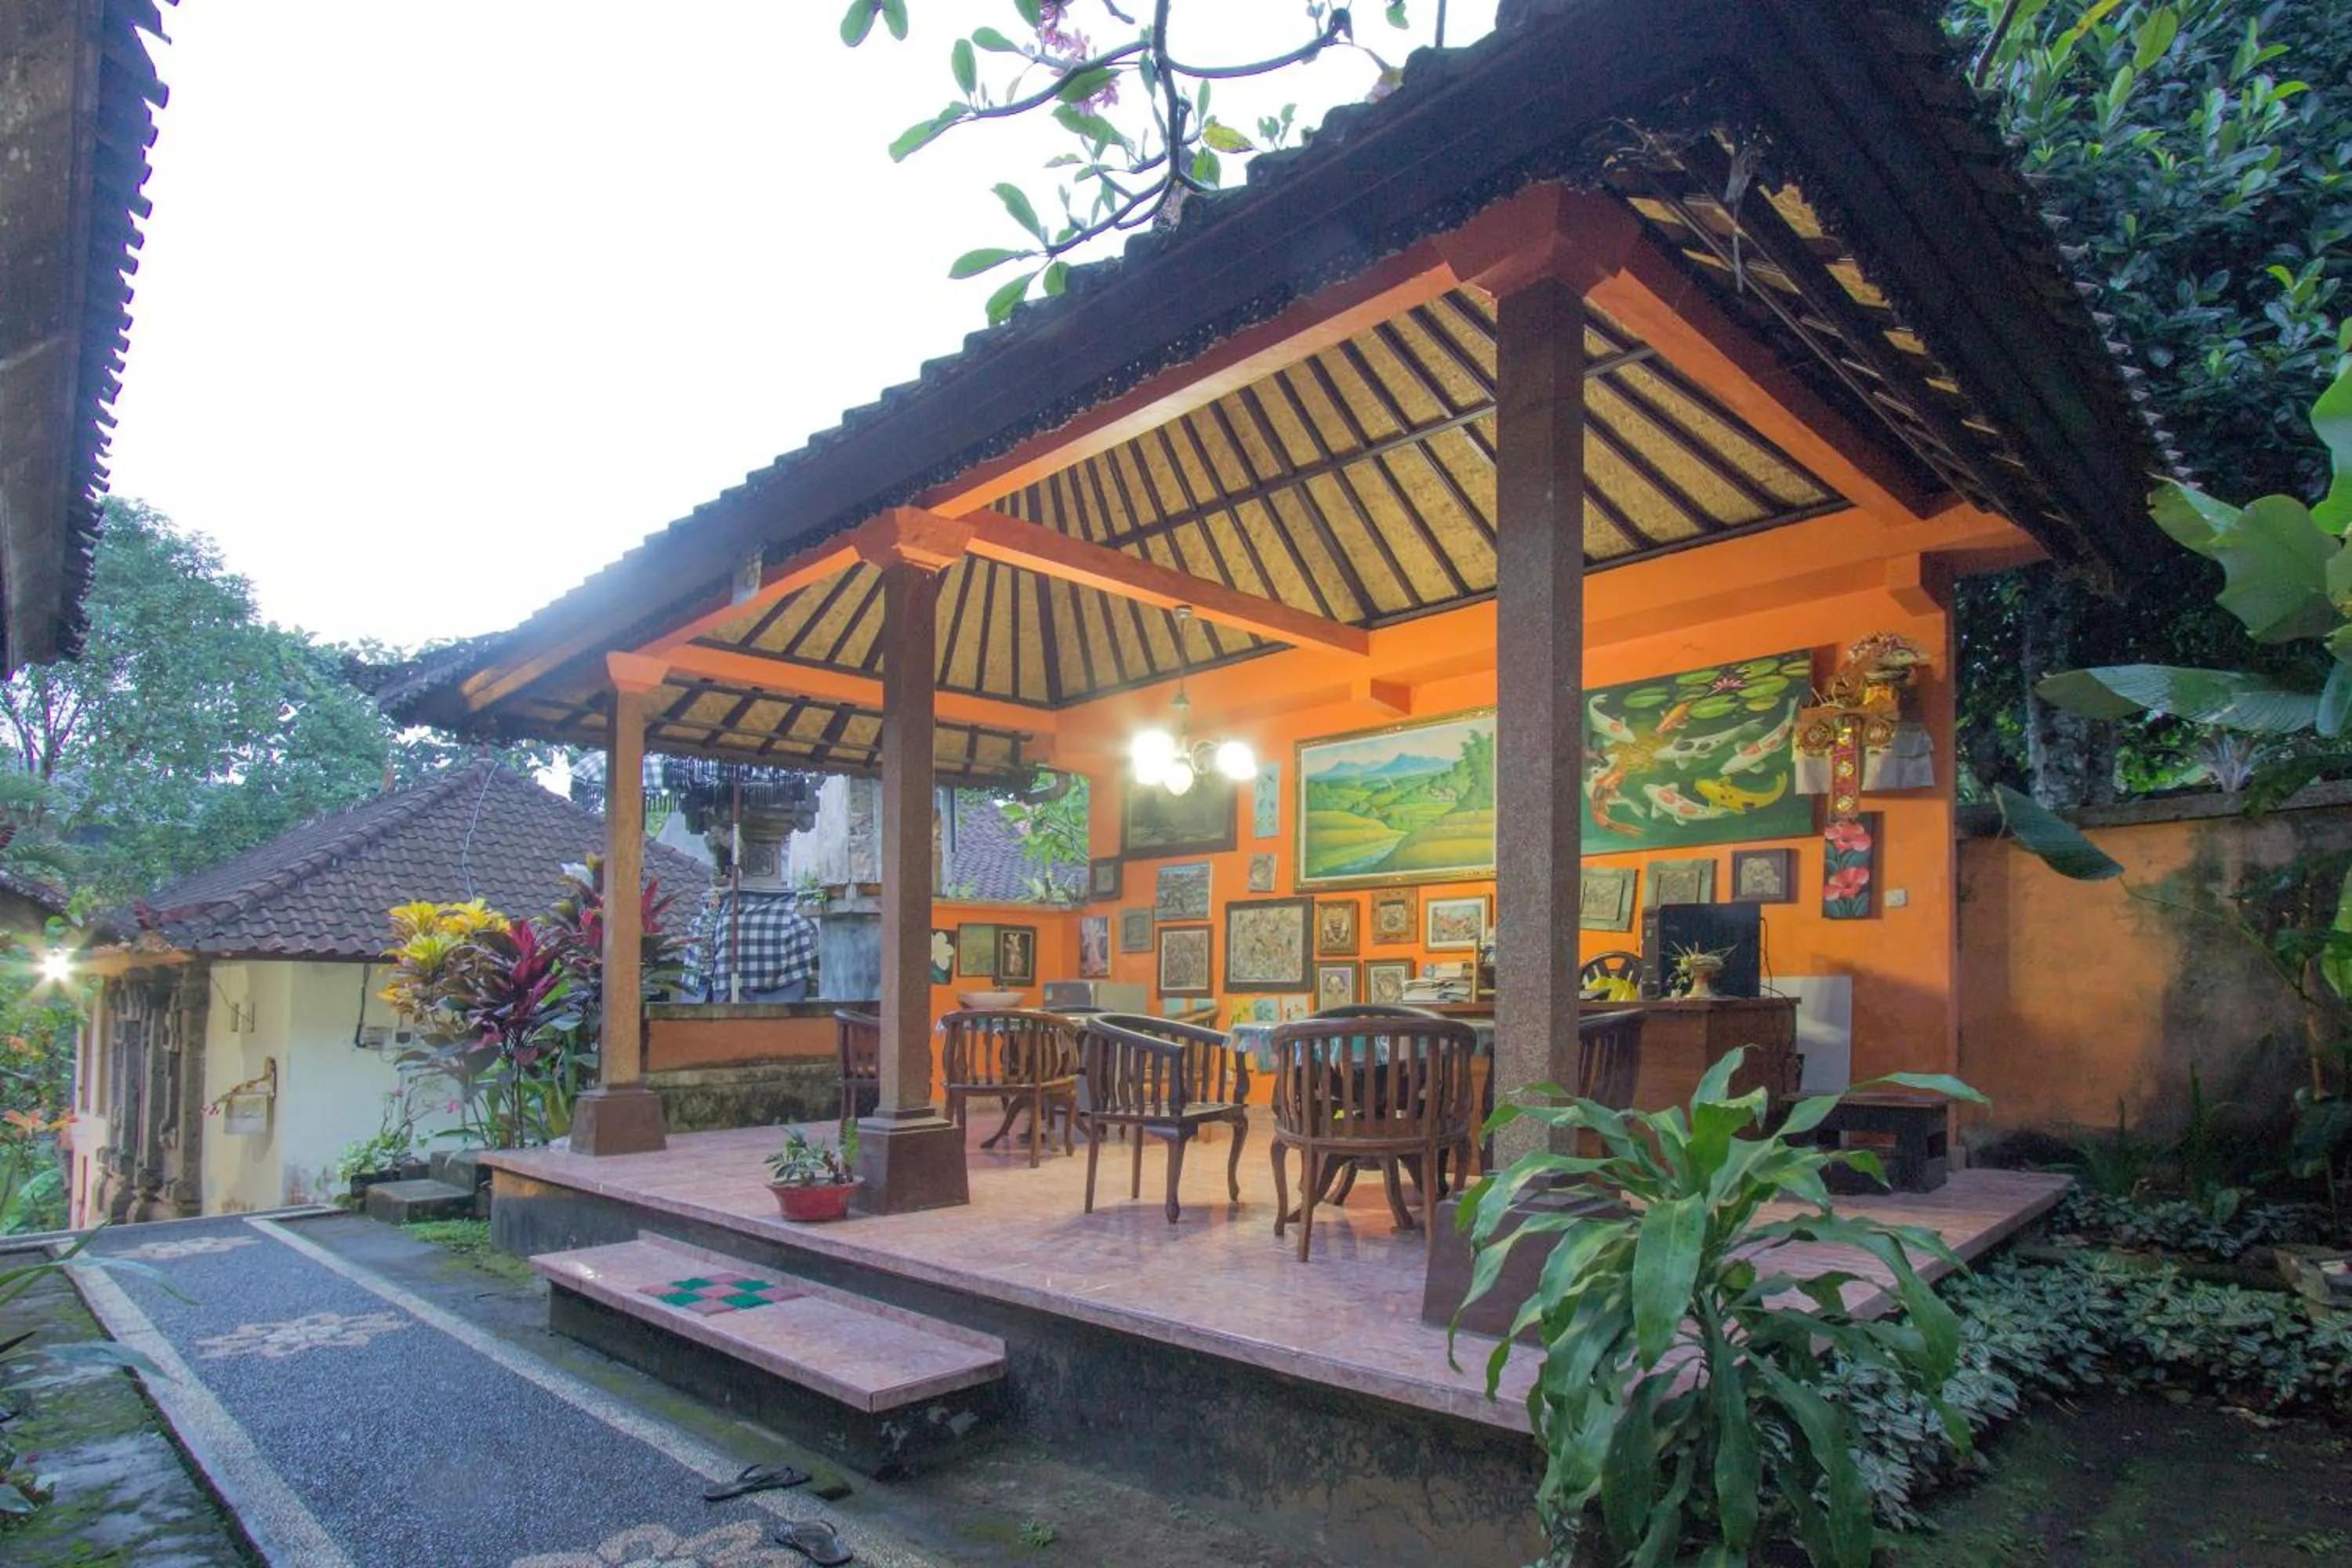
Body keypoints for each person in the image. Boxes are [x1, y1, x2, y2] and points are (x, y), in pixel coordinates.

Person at [705, 891, 818, 1002]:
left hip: (729, 997)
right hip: (785, 1001)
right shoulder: (794, 920)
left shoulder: (716, 920)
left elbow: (704, 968)